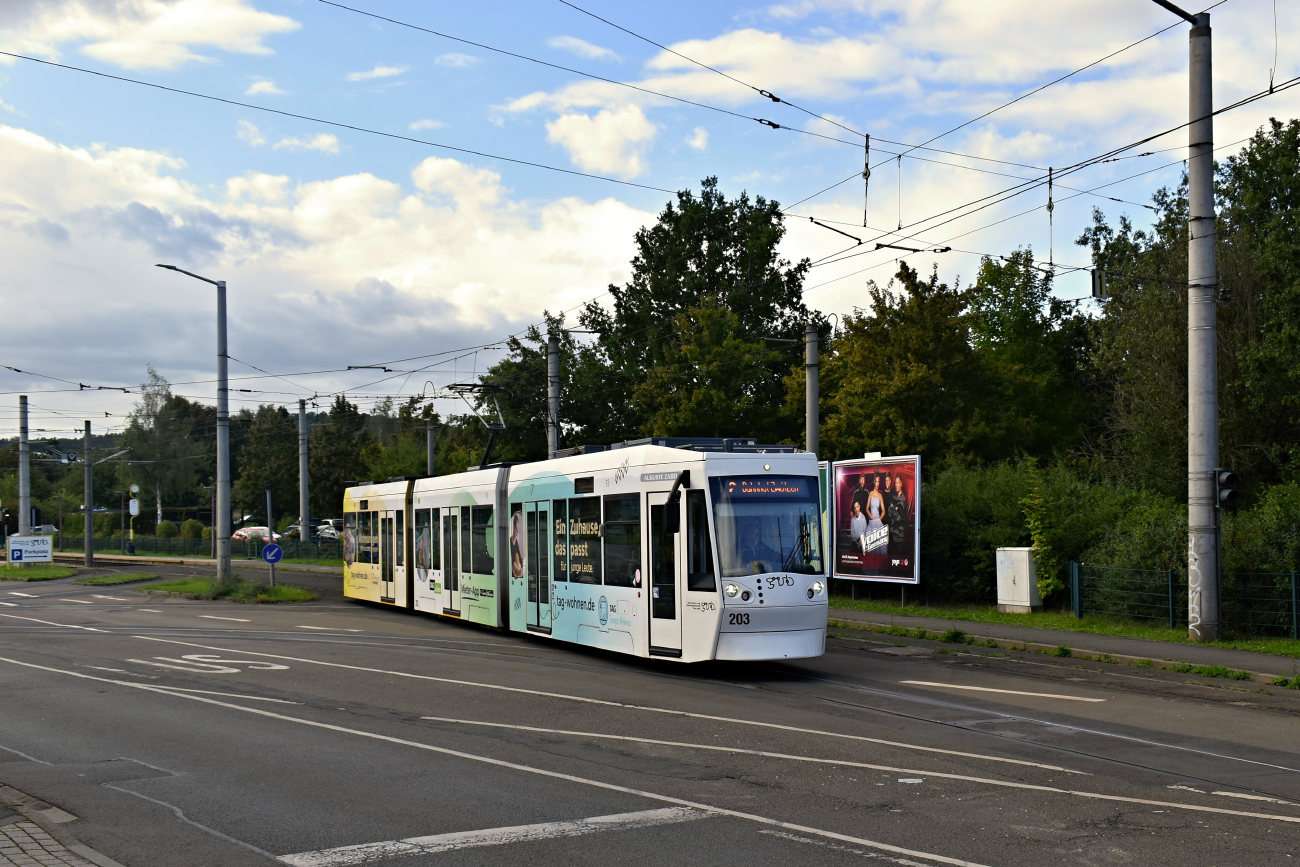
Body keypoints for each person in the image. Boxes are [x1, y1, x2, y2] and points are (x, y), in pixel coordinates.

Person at [888, 474, 910, 556]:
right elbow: (889, 514)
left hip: (899, 533)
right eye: (895, 483)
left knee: (900, 556)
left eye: (898, 483)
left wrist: (893, 508)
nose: (896, 485)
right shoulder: (894, 497)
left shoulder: (903, 498)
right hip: (892, 532)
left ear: (901, 483)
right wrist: (894, 508)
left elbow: (899, 517)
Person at [865, 474, 886, 553]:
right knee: (870, 546)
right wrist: (871, 516)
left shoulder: (880, 495)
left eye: (878, 482)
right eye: (876, 481)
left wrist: (879, 519)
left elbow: (884, 511)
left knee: (880, 546)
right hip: (871, 522)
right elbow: (867, 508)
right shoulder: (870, 494)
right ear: (874, 482)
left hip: (878, 522)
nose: (877, 483)